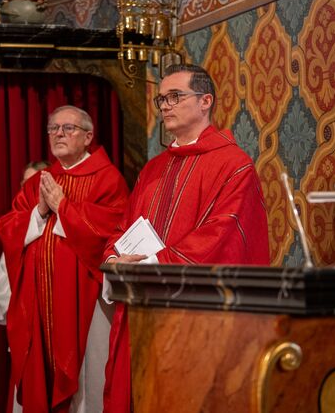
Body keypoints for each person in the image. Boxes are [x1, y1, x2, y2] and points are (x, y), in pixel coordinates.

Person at [102, 64, 270, 413]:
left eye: (175, 96)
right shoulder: (153, 169)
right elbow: (123, 229)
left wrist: (151, 265)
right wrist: (115, 259)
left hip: (198, 318)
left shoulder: (234, 165)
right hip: (143, 309)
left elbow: (222, 236)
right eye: (162, 99)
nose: (165, 105)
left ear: (205, 101)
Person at [0, 105, 129, 413]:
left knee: (87, 383)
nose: (59, 134)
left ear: (88, 136)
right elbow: (8, 226)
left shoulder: (107, 179)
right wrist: (40, 211)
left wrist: (64, 208)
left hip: (85, 299)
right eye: (53, 128)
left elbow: (114, 228)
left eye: (68, 128)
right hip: (38, 303)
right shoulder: (40, 181)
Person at [0, 160, 51, 327]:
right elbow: (3, 282)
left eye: (33, 183)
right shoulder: (17, 222)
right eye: (24, 183)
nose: (27, 188)